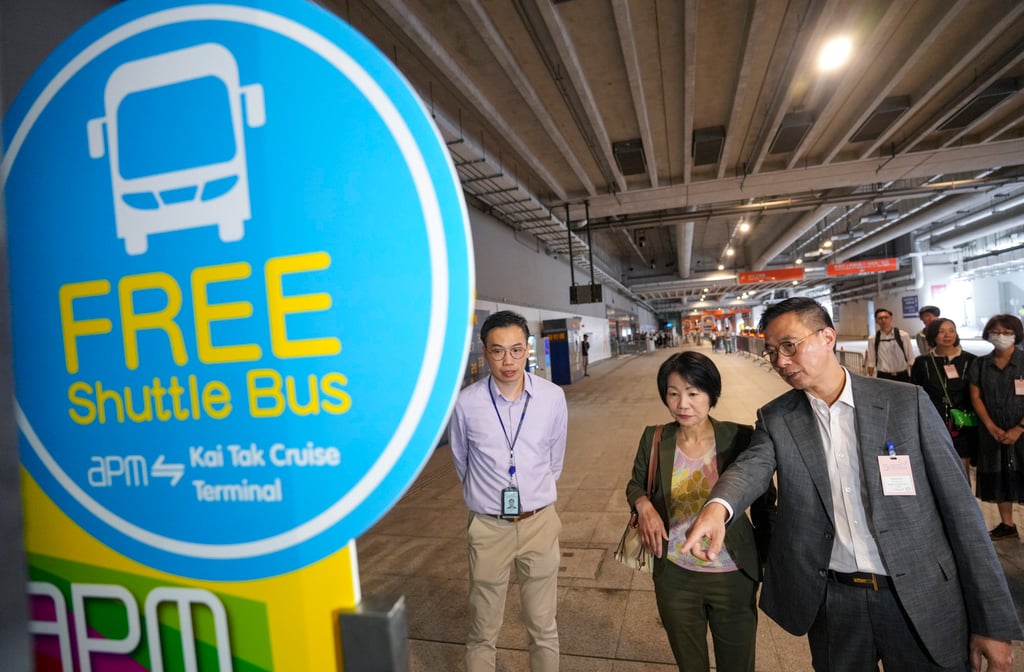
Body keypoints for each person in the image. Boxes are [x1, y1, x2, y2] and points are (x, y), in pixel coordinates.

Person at [682, 297, 1021, 672]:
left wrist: (992, 623)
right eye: (772, 351)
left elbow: (962, 513)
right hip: (834, 602)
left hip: (919, 596)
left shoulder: (905, 403)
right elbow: (751, 467)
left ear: (827, 337)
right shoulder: (778, 417)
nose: (780, 360)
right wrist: (717, 509)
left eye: (790, 346)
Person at [627, 351, 774, 672]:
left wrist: (764, 559)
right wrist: (643, 505)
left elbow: (765, 504)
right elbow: (635, 484)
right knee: (689, 664)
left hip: (732, 575)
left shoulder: (739, 438)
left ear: (712, 395)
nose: (683, 404)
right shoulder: (654, 438)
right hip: (675, 575)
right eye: (673, 393)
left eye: (693, 394)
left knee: (738, 665)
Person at [449, 310, 568, 672]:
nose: (508, 361)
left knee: (543, 627)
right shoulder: (466, 403)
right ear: (485, 352)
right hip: (488, 529)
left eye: (517, 350)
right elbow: (461, 462)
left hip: (539, 524)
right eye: (498, 351)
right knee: (483, 631)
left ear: (528, 349)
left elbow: (554, 460)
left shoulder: (551, 397)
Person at [967, 314, 1024, 541]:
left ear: (1016, 335)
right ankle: (1007, 524)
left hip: (1021, 430)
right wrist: (990, 426)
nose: (1001, 336)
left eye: (1007, 332)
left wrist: (1019, 428)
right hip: (992, 432)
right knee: (999, 474)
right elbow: (976, 396)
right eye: (996, 332)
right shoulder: (980, 364)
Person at [910, 317, 977, 484]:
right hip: (933, 422)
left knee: (962, 467)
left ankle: (965, 506)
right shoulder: (923, 362)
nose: (947, 335)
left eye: (951, 330)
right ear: (933, 335)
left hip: (963, 423)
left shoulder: (971, 360)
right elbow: (915, 393)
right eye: (941, 331)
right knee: (936, 467)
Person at [865, 308, 913, 381]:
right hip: (883, 376)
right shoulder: (873, 339)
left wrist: (914, 377)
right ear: (876, 321)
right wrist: (869, 379)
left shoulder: (903, 335)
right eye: (880, 318)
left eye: (886, 317)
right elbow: (871, 360)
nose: (883, 320)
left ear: (891, 319)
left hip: (902, 375)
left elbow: (910, 358)